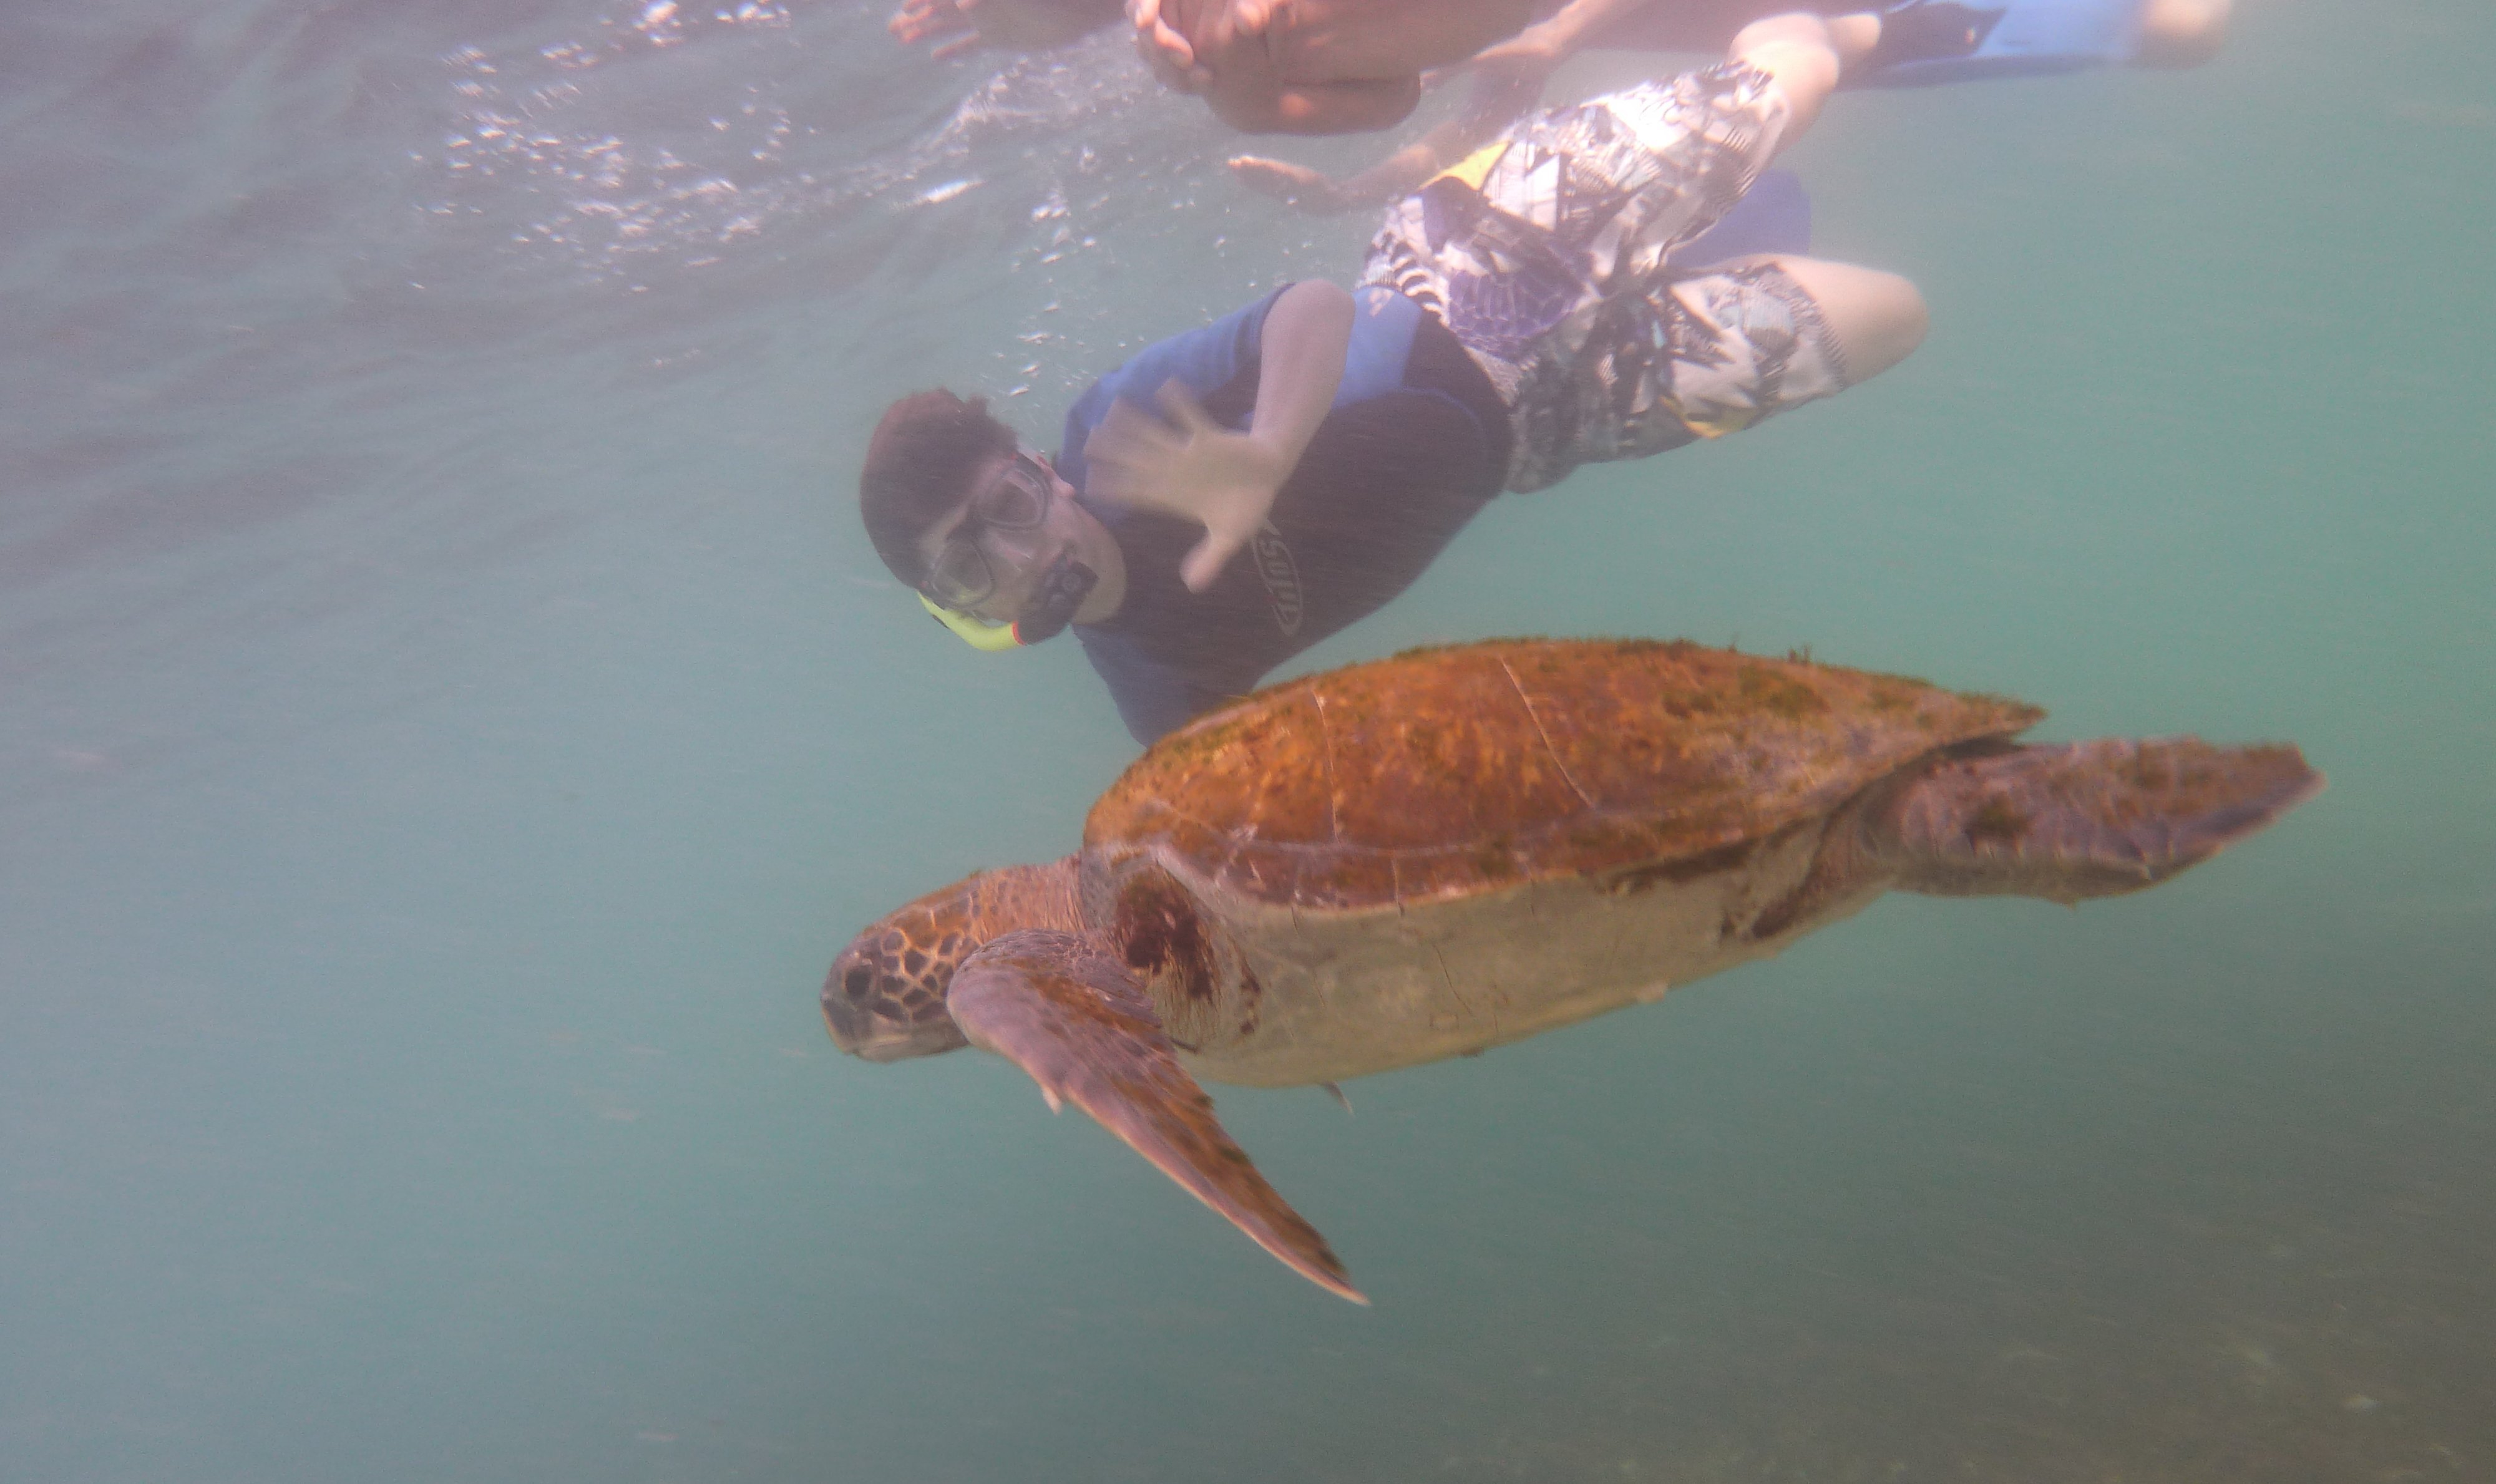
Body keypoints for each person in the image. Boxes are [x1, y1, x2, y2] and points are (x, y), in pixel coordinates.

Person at [857, 13, 1928, 744]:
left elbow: (1313, 311)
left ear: (1048, 473)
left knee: (1805, 75)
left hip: (1481, 257)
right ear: (961, 611)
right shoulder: (1161, 696)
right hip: (1546, 429)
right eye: (966, 566)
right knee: (1893, 317)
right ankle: (1694, 255)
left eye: (1010, 504)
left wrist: (1267, 455)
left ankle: (1829, 30)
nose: (1022, 550)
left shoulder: (1117, 434)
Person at [1228, 0, 2233, 210]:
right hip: (1865, 26)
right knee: (2188, 33)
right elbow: (1469, 131)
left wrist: (1563, 36)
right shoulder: (1501, 35)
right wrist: (1348, 195)